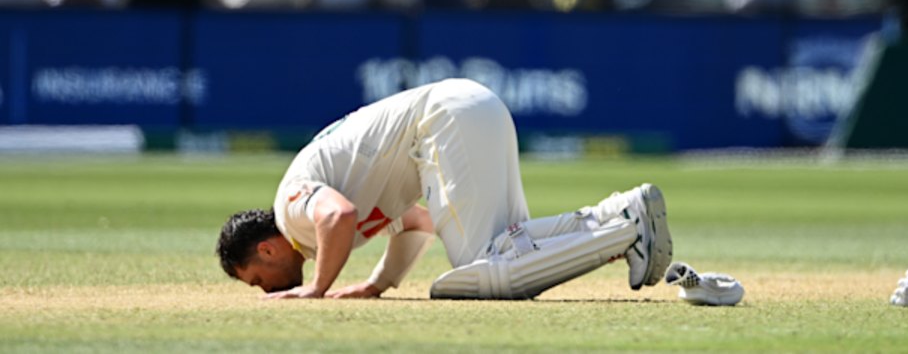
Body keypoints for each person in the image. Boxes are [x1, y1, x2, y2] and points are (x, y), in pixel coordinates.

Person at [216, 78, 672, 300]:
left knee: (480, 273)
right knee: (515, 246)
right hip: (474, 106)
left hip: (444, 120)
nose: (266, 291)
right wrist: (378, 284)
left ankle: (627, 232)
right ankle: (621, 212)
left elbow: (338, 216)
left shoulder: (290, 211)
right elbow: (416, 221)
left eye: (257, 279)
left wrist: (317, 288)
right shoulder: (315, 228)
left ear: (268, 250)